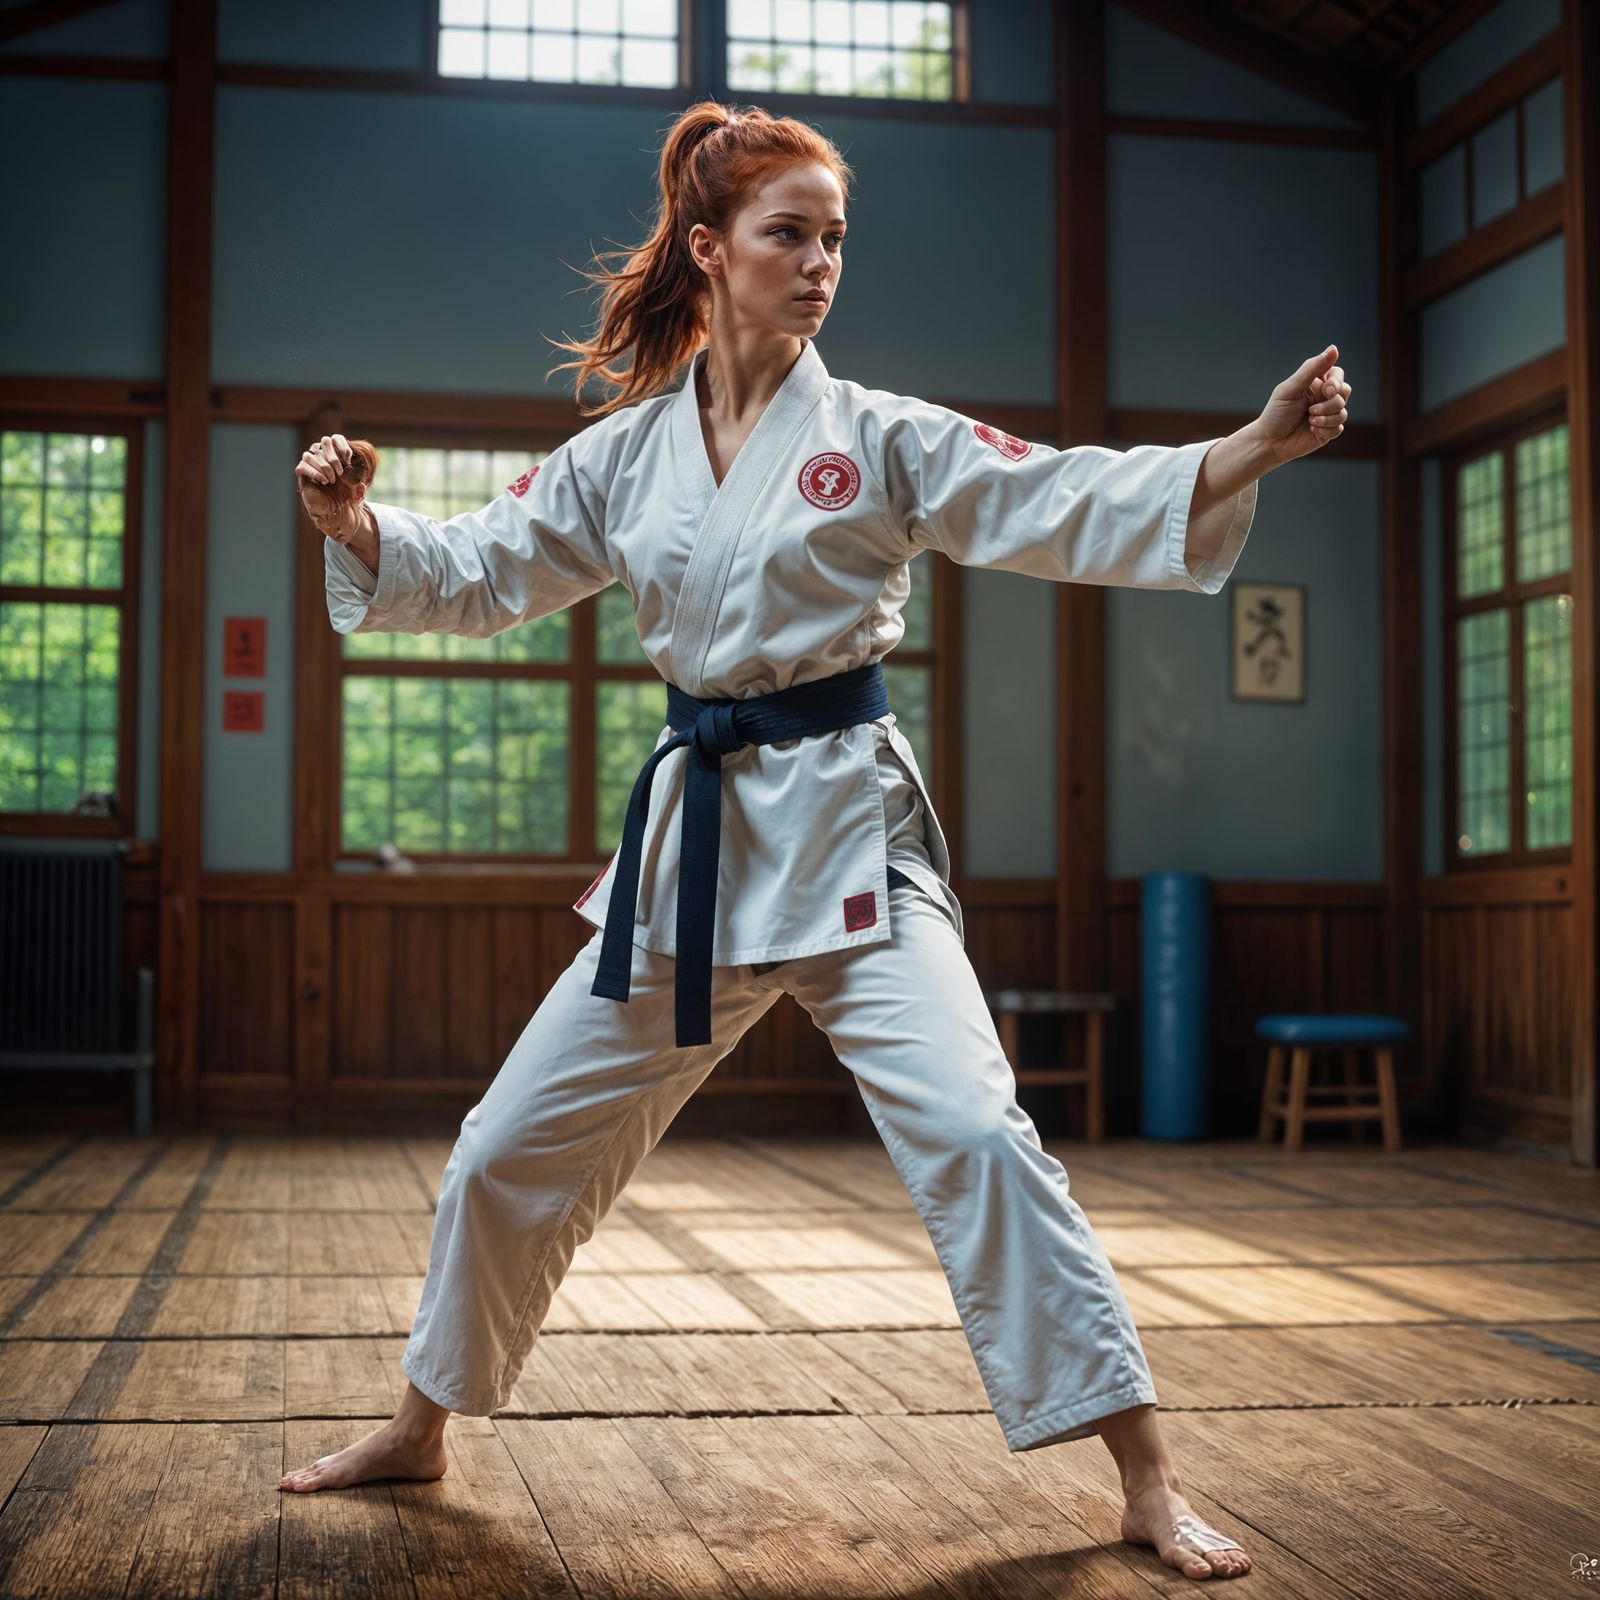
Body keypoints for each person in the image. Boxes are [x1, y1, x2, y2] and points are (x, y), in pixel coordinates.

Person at [282, 99, 1351, 1584]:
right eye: (791, 234)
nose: (822, 261)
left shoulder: (883, 437)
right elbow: (478, 568)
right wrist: (358, 530)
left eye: (837, 237)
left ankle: (1147, 1477)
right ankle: (421, 1420)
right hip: (697, 854)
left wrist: (1249, 447)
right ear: (711, 252)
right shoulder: (627, 456)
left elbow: (1056, 495)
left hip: (851, 834)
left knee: (980, 1132)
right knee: (501, 1153)